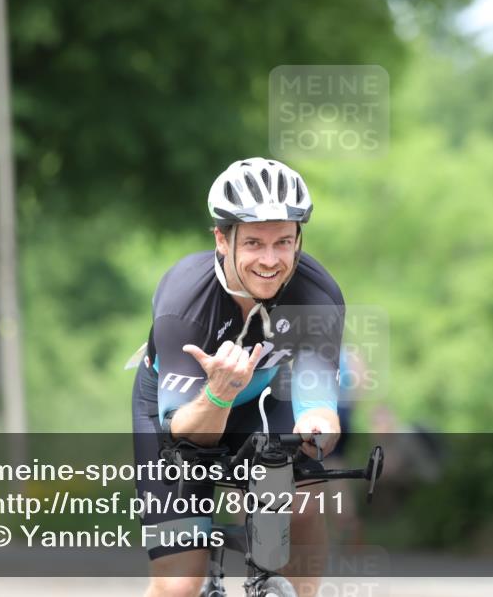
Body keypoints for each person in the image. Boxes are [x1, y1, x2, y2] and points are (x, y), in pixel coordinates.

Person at [131, 157, 345, 597]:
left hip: (264, 397)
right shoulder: (185, 304)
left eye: (283, 242)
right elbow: (185, 437)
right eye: (253, 243)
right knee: (179, 585)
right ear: (222, 239)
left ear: (299, 239)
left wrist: (318, 428)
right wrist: (219, 395)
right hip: (181, 415)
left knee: (305, 495)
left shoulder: (317, 297)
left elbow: (319, 403)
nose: (270, 261)